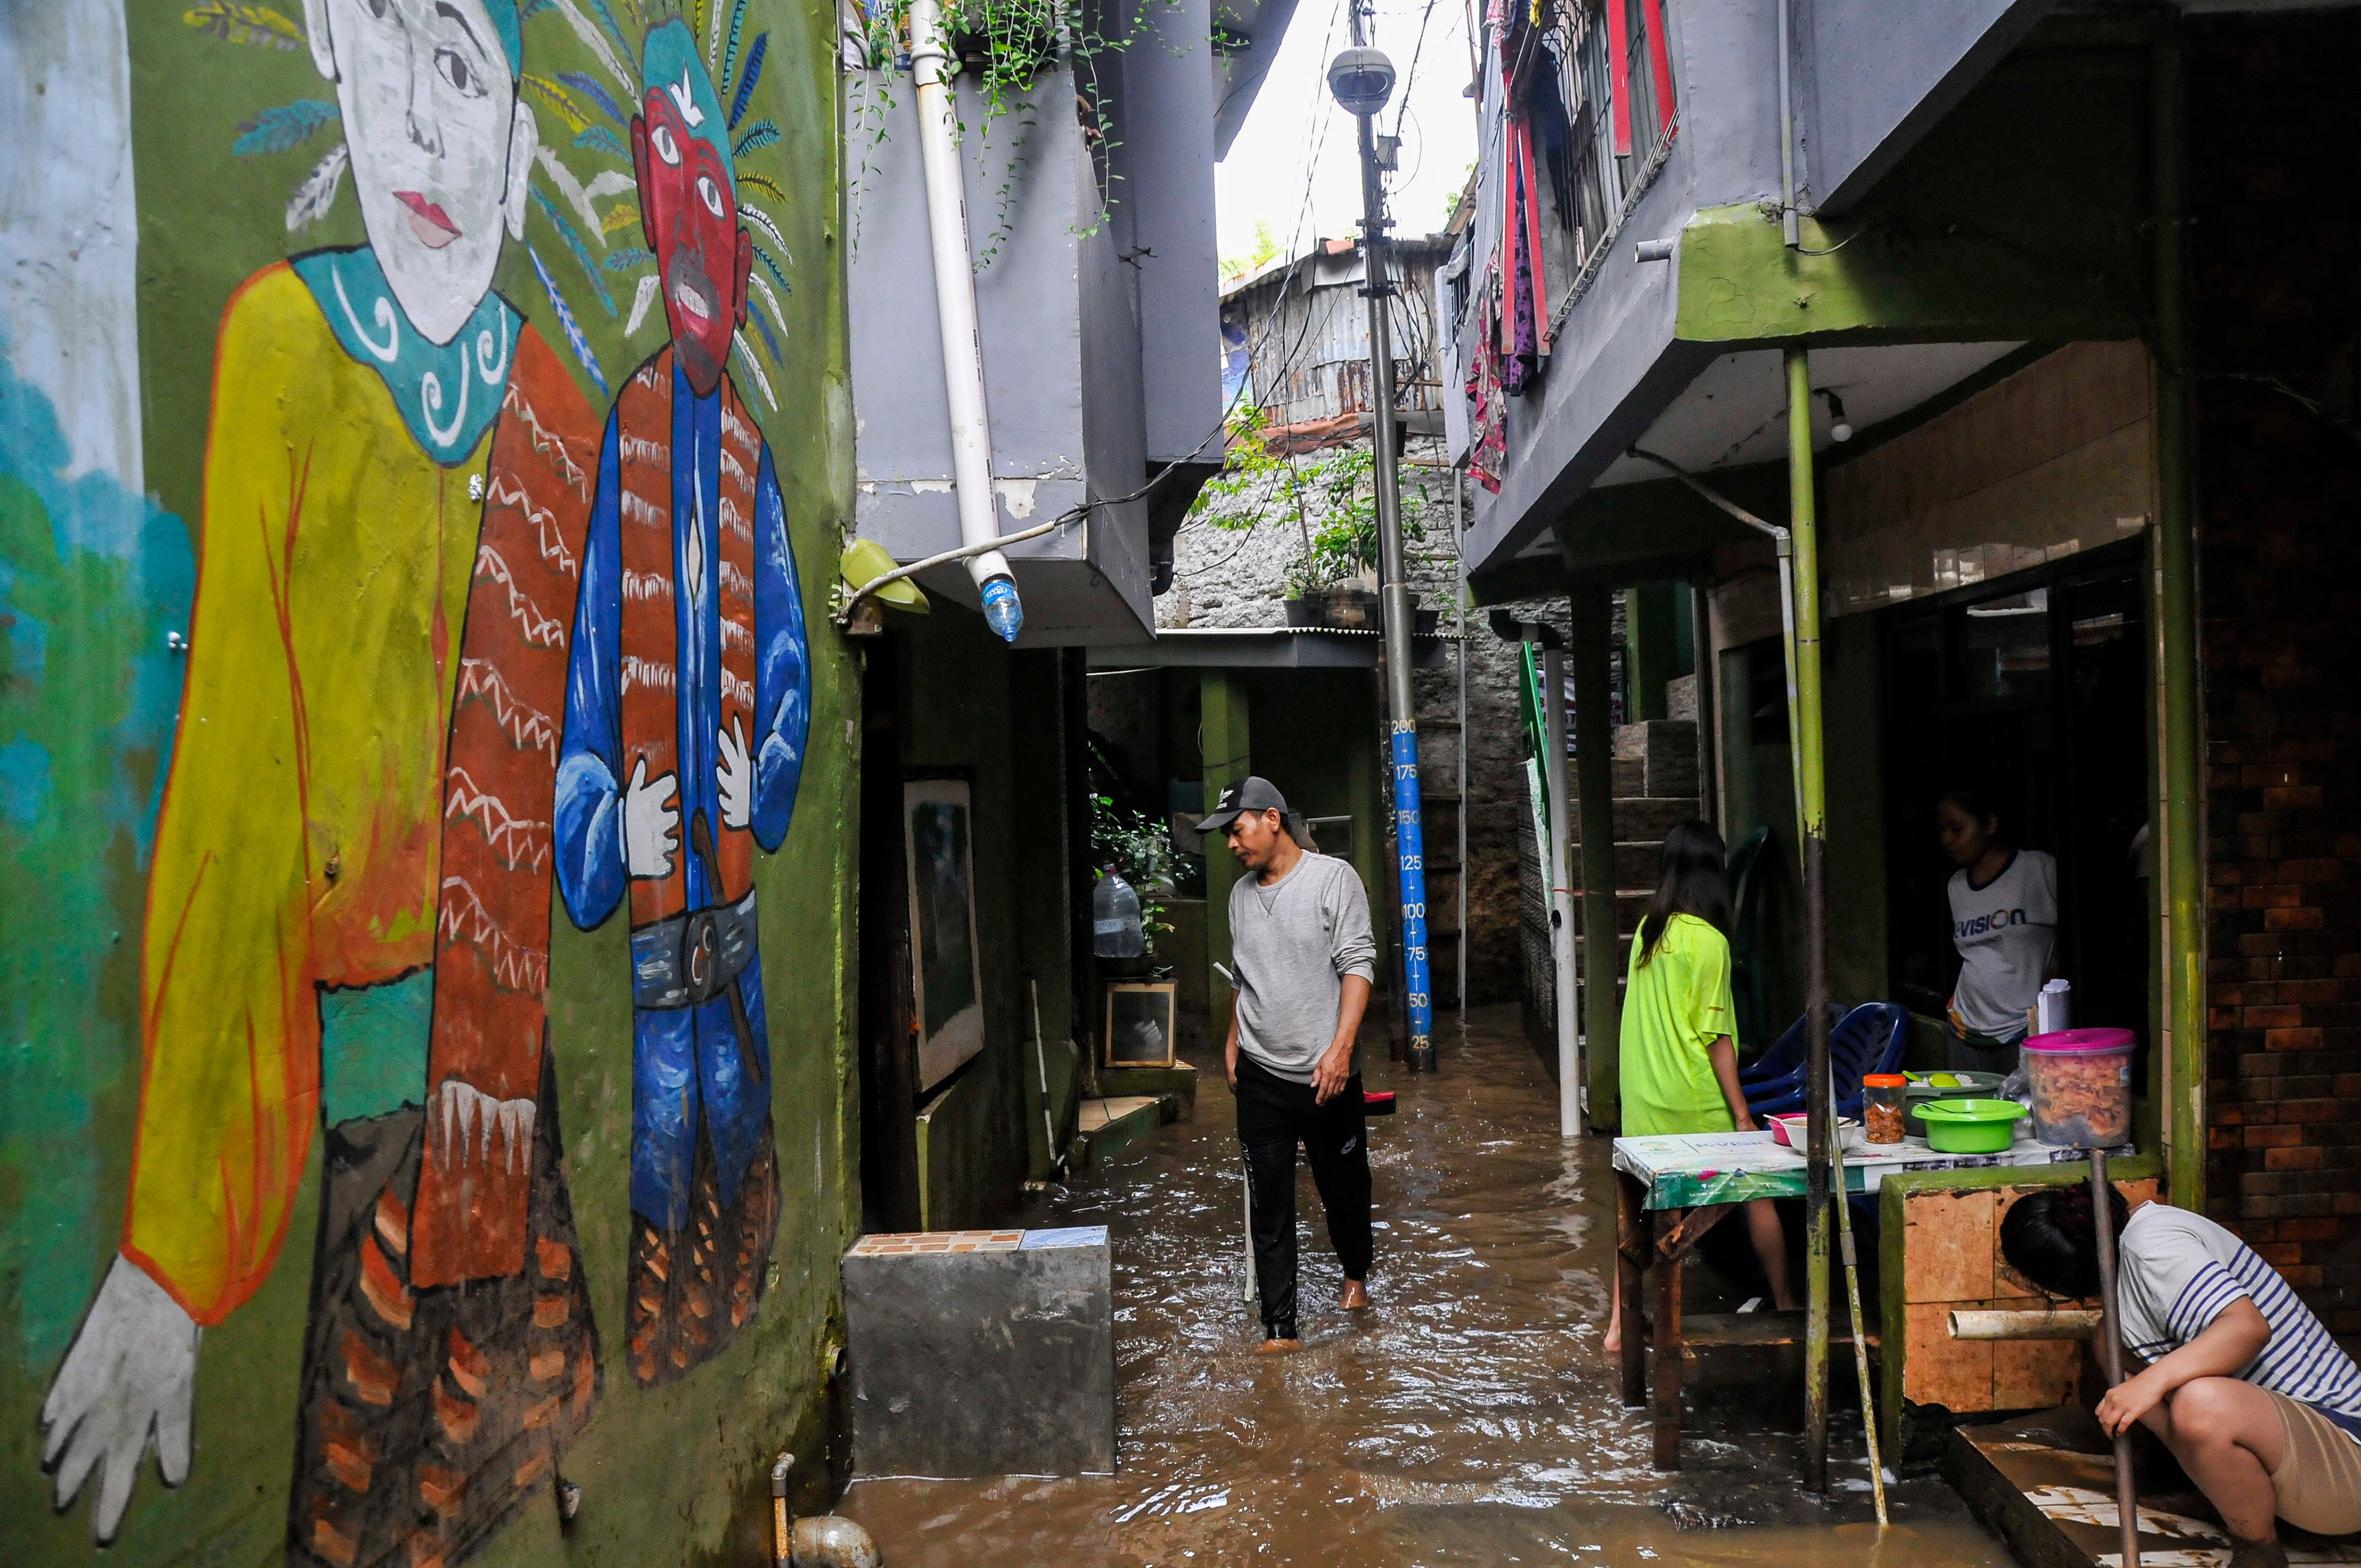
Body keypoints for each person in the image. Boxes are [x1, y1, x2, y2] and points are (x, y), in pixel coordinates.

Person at [38, 0, 606, 1556]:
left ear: (517, 140)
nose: (419, 120)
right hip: (364, 1110)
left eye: (461, 69)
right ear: (335, 58)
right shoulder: (285, 345)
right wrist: (177, 1245)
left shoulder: (554, 408)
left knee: (511, 1472)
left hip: (515, 1090)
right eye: (387, 46)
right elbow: (235, 795)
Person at [553, 17, 811, 1390]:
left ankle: (731, 1327)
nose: (706, 266)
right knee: (662, 1131)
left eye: (723, 234)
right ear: (664, 258)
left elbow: (790, 665)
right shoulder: (628, 430)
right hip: (660, 920)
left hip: (738, 921)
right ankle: (667, 1360)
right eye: (684, 235)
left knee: (739, 1106)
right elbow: (589, 681)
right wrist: (614, 827)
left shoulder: (755, 456)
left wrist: (759, 782)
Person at [2001, 1188, 2361, 1567]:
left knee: (2202, 1404)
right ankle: (2227, 1499)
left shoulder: (2154, 1245)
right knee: (2111, 1344)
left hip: (2347, 1454)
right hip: (2301, 1465)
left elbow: (2247, 1329)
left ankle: (2258, 1552)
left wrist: (2149, 1383)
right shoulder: (2129, 1286)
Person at [1198, 776, 1378, 1353]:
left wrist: (1341, 1049)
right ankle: (1281, 1329)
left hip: (1327, 1075)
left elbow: (1358, 964)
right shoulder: (1239, 897)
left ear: (1272, 819)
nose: (1232, 843)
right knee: (1268, 1201)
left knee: (1343, 1188)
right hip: (1259, 1075)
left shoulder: (1334, 880)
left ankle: (1355, 1274)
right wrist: (1233, 1040)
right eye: (1227, 835)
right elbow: (1244, 975)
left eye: (1237, 829)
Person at [1605, 821, 1795, 1357]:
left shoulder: (1649, 932)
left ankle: (1617, 1328)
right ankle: (1786, 1305)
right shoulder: (1710, 942)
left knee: (1638, 1220)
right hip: (1691, 1097)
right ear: (1714, 873)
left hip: (1644, 1098)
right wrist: (1742, 1114)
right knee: (1758, 1189)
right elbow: (1717, 1038)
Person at [1938, 784, 2058, 1072]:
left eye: (1957, 829)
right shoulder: (1957, 886)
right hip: (1966, 1031)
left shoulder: (2037, 869)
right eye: (1943, 830)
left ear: (1990, 825)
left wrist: (2051, 1008)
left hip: (2027, 1030)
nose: (1947, 839)